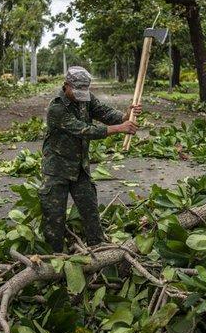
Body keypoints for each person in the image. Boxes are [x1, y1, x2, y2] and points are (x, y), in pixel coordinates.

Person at [40, 66, 141, 252]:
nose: (80, 96)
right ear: (66, 86)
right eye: (77, 91)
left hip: (80, 168)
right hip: (57, 170)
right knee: (54, 219)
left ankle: (99, 250)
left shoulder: (86, 99)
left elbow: (106, 114)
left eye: (83, 92)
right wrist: (120, 128)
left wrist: (126, 116)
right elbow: (83, 130)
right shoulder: (56, 108)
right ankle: (53, 259)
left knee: (91, 212)